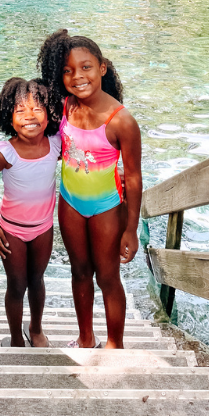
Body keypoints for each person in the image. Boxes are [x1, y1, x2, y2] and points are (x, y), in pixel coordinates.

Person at [37, 30, 143, 349]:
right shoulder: (64, 106)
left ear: (102, 68)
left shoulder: (121, 121)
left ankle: (115, 344)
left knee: (107, 277)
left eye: (86, 67)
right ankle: (86, 338)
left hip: (106, 208)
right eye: (67, 70)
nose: (77, 76)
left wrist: (131, 229)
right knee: (79, 273)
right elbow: (35, 122)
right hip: (70, 204)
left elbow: (135, 178)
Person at [0, 78, 62, 348]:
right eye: (20, 110)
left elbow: (84, 145)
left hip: (43, 228)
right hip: (11, 230)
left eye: (37, 109)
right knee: (16, 284)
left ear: (50, 115)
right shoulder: (5, 153)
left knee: (37, 280)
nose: (29, 116)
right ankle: (15, 338)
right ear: (8, 117)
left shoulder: (56, 145)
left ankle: (35, 329)